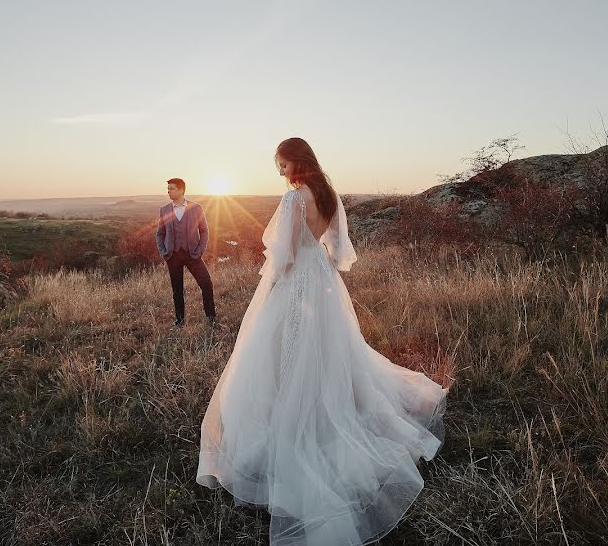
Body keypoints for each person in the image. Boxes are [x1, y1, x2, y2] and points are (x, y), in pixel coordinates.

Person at [196, 138, 447, 545]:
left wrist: (274, 285)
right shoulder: (328, 196)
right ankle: (328, 401)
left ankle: (294, 417)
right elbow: (335, 248)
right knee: (330, 350)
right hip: (324, 283)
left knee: (283, 352)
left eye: (281, 163)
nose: (279, 171)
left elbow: (288, 252)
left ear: (296, 161)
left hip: (298, 284)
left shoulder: (294, 198)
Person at [156, 178, 216, 326]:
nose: (168, 191)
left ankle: (211, 319)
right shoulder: (164, 210)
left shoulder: (196, 208)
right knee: (177, 290)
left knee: (206, 284)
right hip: (173, 255)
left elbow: (204, 231)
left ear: (181, 190)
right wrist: (164, 252)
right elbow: (160, 233)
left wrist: (199, 251)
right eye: (168, 189)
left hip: (192, 255)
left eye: (171, 188)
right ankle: (180, 322)